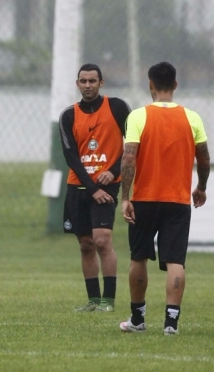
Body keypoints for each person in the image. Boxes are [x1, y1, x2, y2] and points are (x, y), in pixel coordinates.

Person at [119, 61, 210, 335]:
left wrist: (126, 197)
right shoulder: (192, 117)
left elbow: (129, 157)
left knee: (138, 258)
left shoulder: (137, 116)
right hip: (177, 201)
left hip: (144, 198)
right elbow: (204, 158)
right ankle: (171, 323)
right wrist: (201, 186)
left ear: (150, 84)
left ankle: (138, 319)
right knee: (175, 261)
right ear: (175, 85)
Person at [59, 63, 131, 312]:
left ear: (101, 83)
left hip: (108, 186)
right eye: (83, 81)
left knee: (102, 240)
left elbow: (133, 147)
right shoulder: (68, 115)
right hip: (80, 188)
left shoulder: (118, 107)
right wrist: (92, 187)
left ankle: (108, 301)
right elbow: (71, 157)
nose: (87, 85)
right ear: (77, 84)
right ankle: (92, 299)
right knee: (86, 244)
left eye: (92, 81)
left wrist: (112, 171)